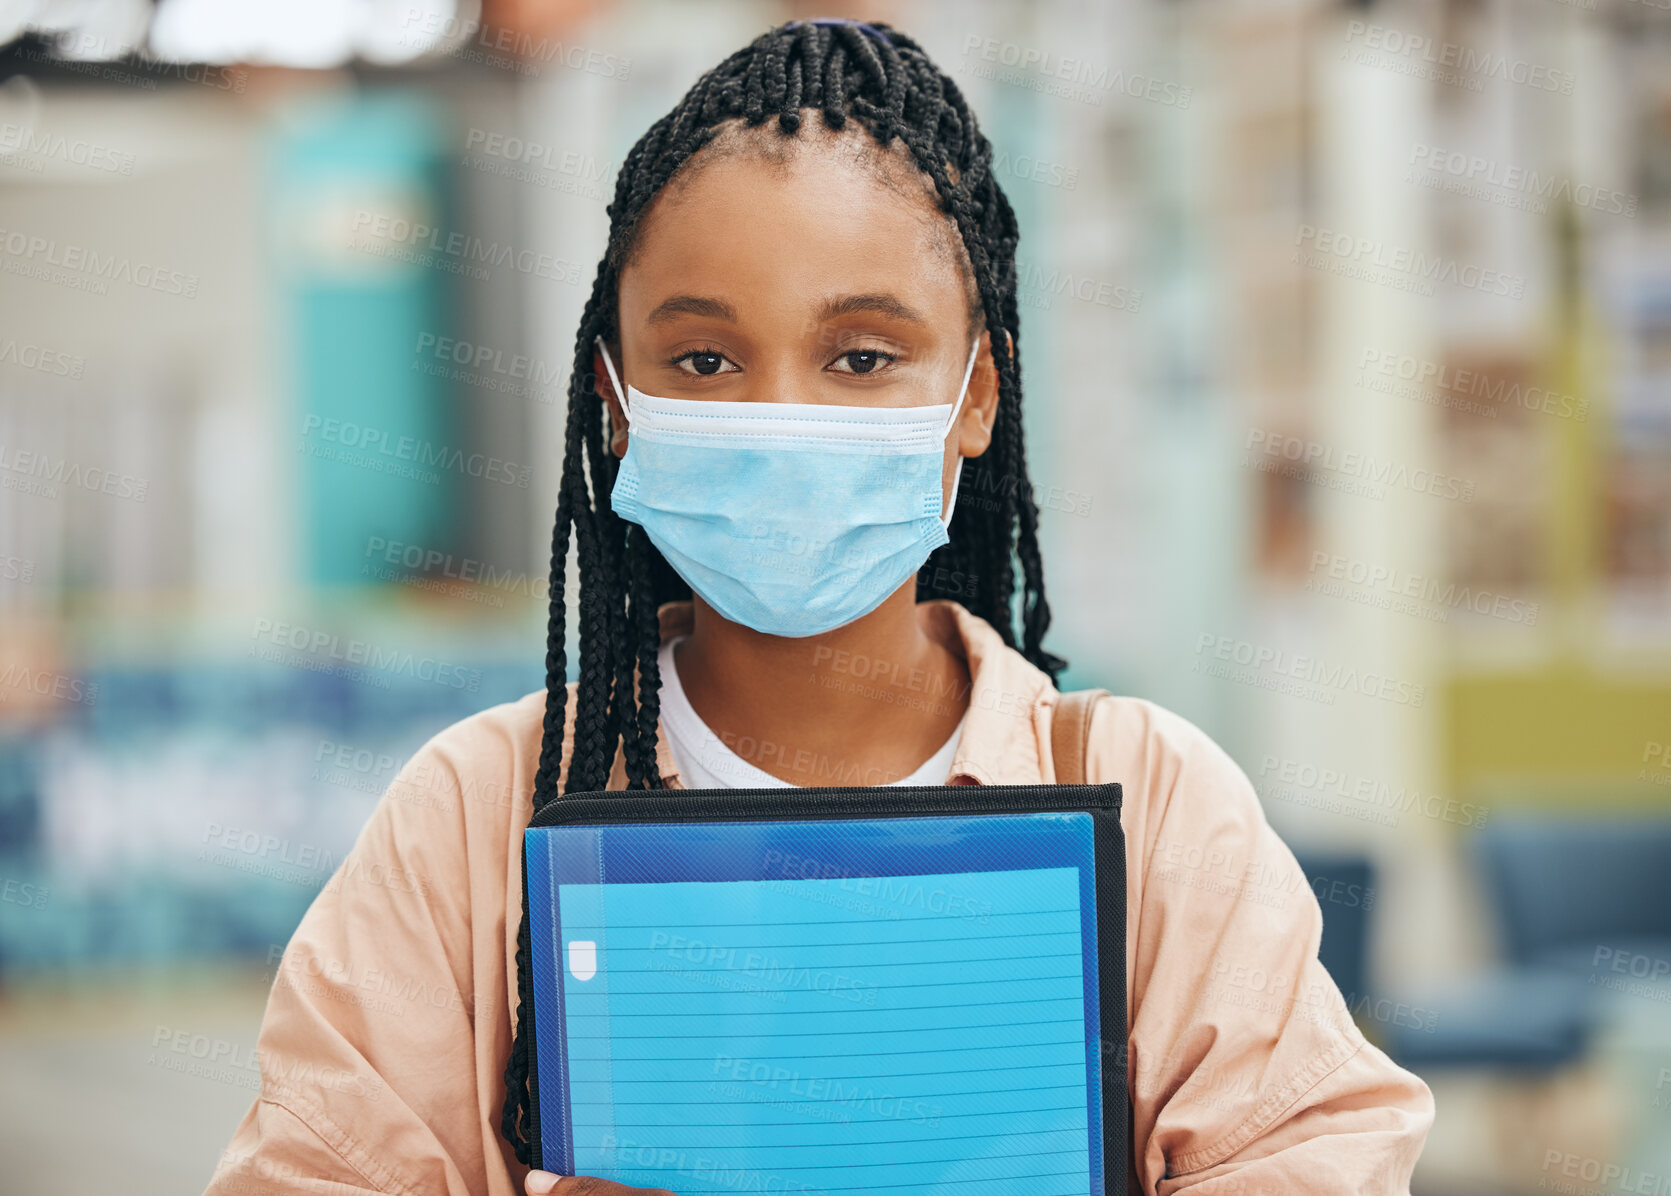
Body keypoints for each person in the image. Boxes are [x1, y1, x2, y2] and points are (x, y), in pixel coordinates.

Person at [205, 18, 1433, 1196]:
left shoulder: (1154, 803)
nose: (776, 413)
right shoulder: (474, 818)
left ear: (974, 392)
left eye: (860, 355)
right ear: (617, 401)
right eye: (702, 360)